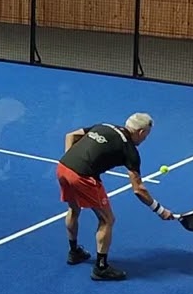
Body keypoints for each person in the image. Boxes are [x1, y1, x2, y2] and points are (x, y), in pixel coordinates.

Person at [56, 113, 175, 281]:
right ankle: (101, 268)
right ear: (140, 132)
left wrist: (69, 159)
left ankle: (74, 252)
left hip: (63, 167)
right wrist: (160, 210)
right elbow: (138, 189)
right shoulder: (130, 150)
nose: (145, 139)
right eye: (146, 135)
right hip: (83, 176)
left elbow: (71, 135)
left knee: (73, 209)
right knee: (107, 220)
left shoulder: (104, 126)